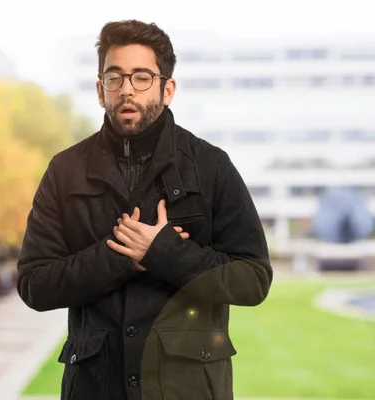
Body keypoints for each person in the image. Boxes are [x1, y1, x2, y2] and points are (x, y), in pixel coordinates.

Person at [16, 19, 273, 400]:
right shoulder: (65, 170)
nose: (126, 91)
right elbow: (34, 284)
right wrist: (117, 258)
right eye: (114, 78)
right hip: (95, 388)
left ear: (167, 89)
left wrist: (164, 252)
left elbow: (253, 279)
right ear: (100, 89)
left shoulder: (211, 166)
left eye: (141, 78)